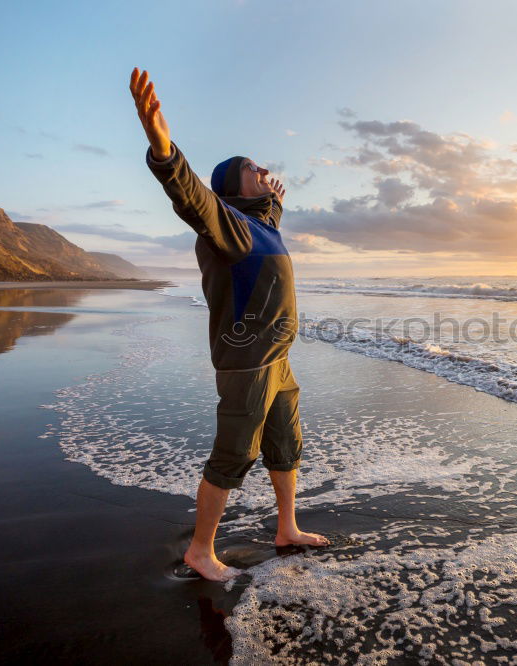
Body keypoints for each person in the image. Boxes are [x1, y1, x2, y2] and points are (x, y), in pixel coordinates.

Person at [128, 67, 330, 582]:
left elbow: (265, 224)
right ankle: (200, 550)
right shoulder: (228, 225)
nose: (263, 170)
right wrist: (162, 147)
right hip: (247, 362)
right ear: (229, 187)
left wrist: (274, 201)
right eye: (251, 168)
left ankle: (286, 528)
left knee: (286, 444)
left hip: (278, 361)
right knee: (234, 454)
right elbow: (192, 196)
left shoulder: (260, 226)